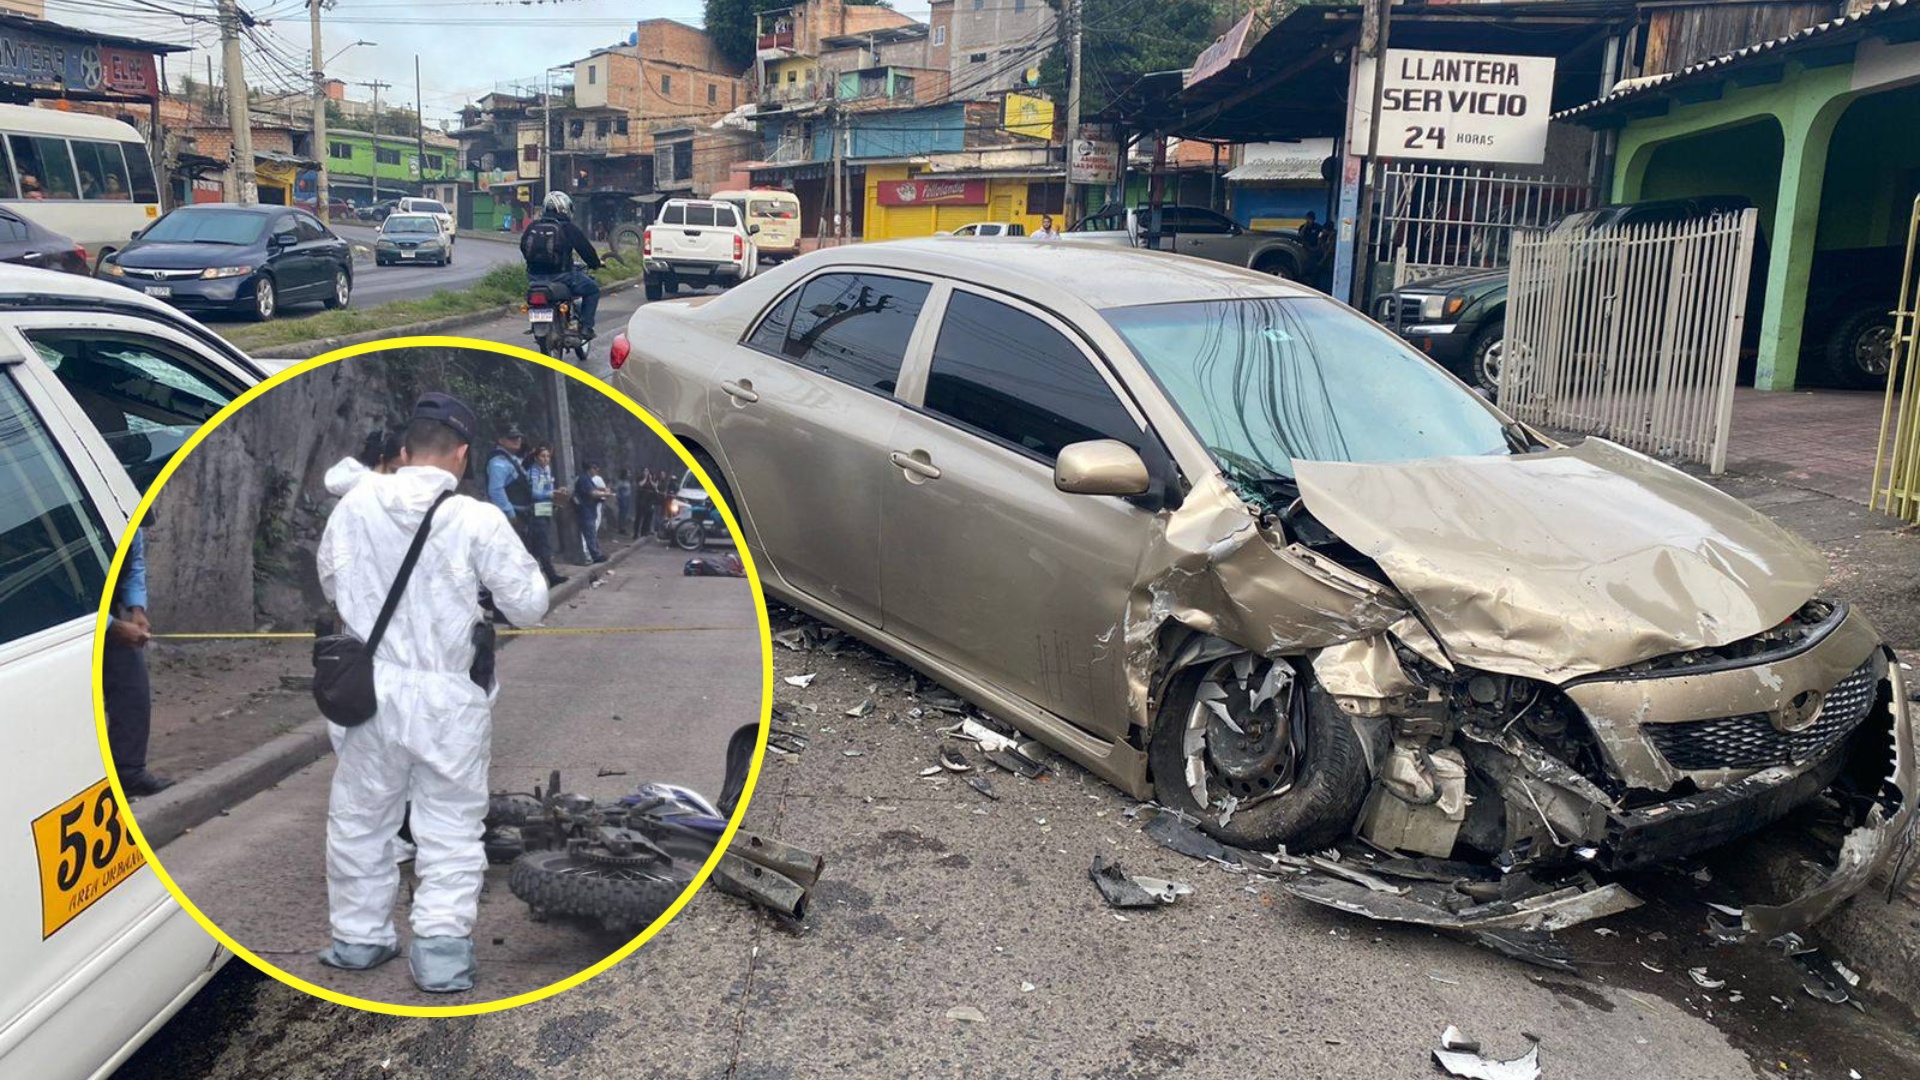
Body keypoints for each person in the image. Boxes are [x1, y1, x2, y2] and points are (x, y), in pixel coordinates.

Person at [314, 392, 549, 994]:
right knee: (448, 823)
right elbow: (530, 605)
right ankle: (441, 953)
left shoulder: (355, 505)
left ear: (403, 449)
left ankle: (359, 939)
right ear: (463, 454)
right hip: (447, 696)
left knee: (363, 820)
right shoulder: (475, 518)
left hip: (370, 691)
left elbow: (332, 581)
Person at [102, 528, 173, 797]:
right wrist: (111, 627)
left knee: (133, 690)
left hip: (106, 618)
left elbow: (135, 564)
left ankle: (127, 773)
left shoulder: (131, 524)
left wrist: (136, 609)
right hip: (65, 618)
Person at [520, 191, 605, 339]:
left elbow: (523, 246)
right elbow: (585, 249)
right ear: (564, 208)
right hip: (562, 276)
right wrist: (595, 264)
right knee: (593, 290)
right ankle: (586, 327)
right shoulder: (567, 227)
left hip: (534, 277)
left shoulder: (533, 226)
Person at [523, 445, 568, 587]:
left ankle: (534, 576)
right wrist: (551, 494)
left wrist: (556, 491)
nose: (546, 459)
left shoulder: (546, 470)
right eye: (543, 456)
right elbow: (534, 493)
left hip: (546, 509)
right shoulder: (533, 472)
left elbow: (546, 488)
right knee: (543, 544)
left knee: (536, 546)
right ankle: (551, 575)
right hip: (537, 509)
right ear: (536, 457)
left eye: (548, 456)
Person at [573, 462, 610, 564]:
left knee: (592, 533)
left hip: (589, 509)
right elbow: (592, 493)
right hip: (585, 510)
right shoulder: (584, 479)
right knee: (590, 534)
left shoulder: (587, 479)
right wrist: (605, 494)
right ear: (590, 469)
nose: (597, 470)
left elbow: (593, 490)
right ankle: (595, 555)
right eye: (595, 468)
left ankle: (597, 553)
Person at [615, 469, 634, 537]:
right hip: (622, 498)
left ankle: (623, 527)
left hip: (627, 498)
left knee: (625, 513)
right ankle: (621, 528)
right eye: (628, 473)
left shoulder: (627, 481)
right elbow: (617, 490)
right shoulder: (621, 482)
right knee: (622, 514)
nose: (629, 474)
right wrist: (618, 499)